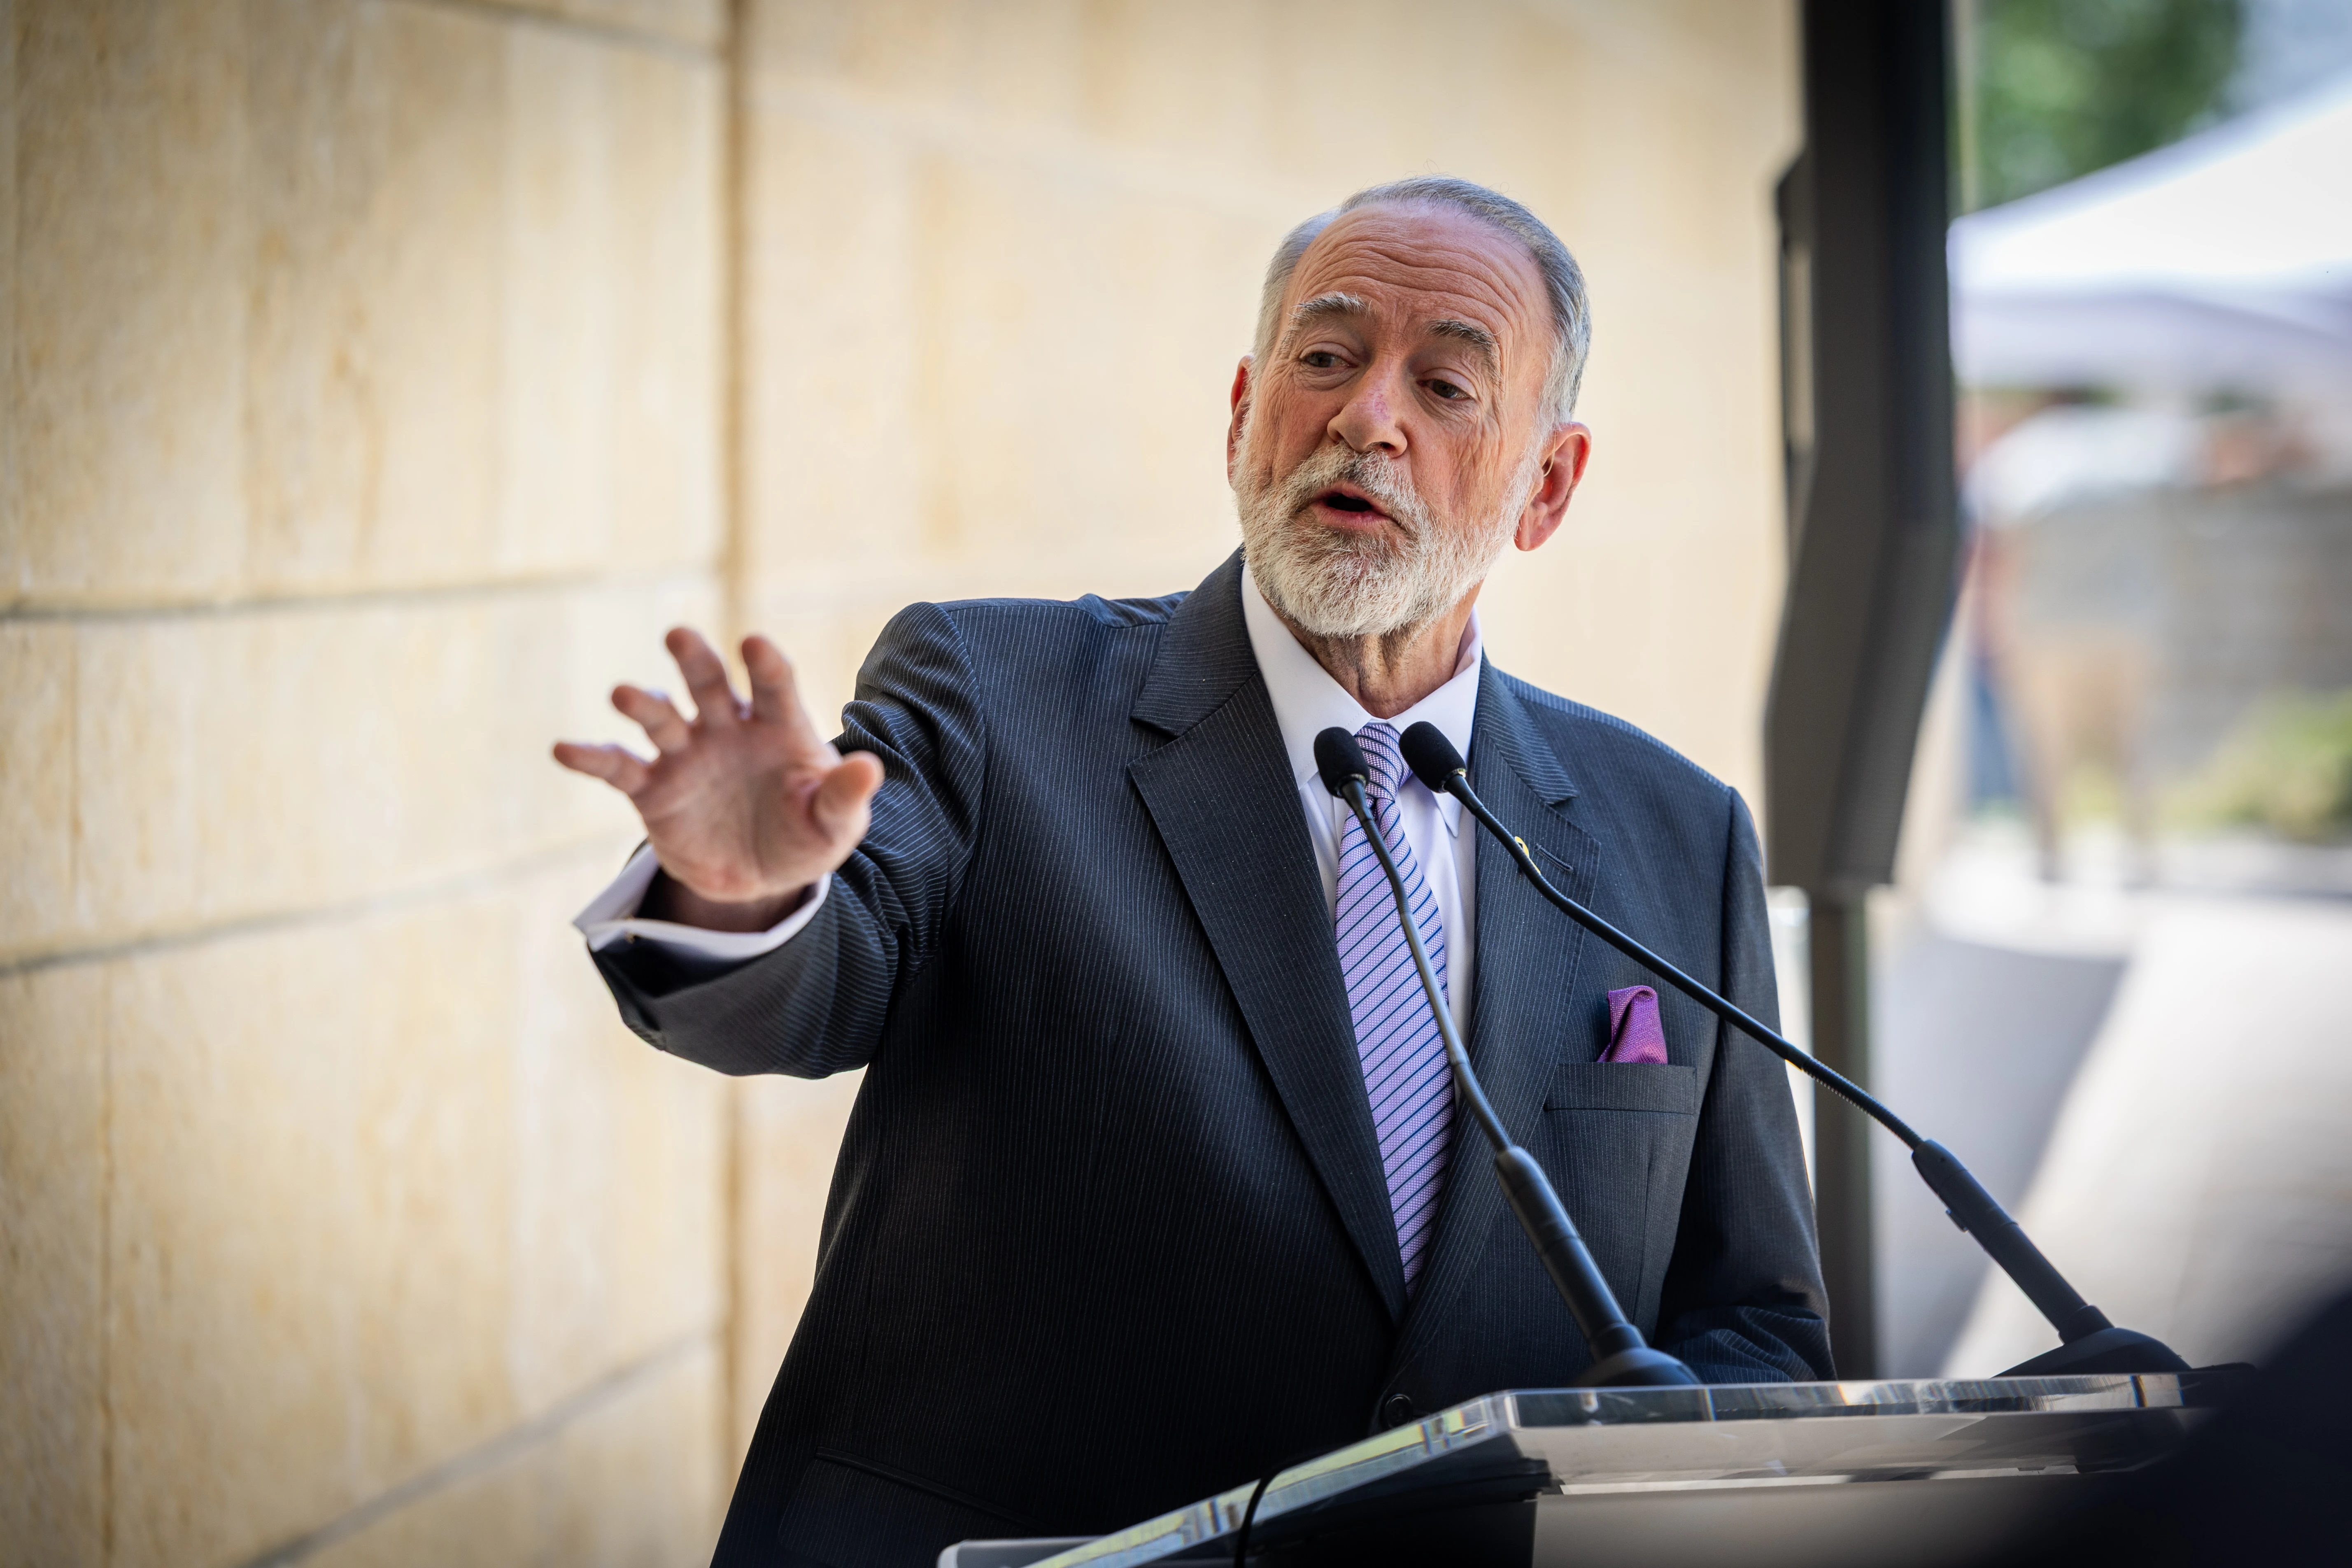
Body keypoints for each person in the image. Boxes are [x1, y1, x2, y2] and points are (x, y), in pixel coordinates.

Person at [555, 177, 1830, 1568]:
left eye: (1448, 385)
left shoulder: (1674, 837)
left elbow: (1752, 1324)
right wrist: (748, 893)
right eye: (1325, 358)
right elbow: (814, 985)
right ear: (1243, 412)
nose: (1366, 417)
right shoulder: (996, 695)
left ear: (1549, 484)